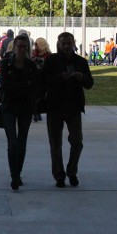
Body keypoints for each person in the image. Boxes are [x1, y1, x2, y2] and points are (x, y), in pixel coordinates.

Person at [44, 32, 94, 188]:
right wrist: (61, 77)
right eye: (63, 43)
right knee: (55, 143)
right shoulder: (51, 60)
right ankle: (59, 175)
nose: (66, 46)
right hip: (54, 106)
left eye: (68, 43)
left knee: (77, 141)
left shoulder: (81, 62)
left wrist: (82, 77)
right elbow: (44, 80)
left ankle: (72, 171)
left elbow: (90, 83)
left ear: (74, 43)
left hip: (74, 106)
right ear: (59, 44)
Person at [0, 34, 40, 191]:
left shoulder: (31, 65)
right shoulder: (6, 64)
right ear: (14, 47)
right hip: (9, 106)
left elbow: (34, 86)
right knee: (12, 143)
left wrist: (18, 85)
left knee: (22, 142)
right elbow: (5, 85)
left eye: (25, 46)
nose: (22, 49)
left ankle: (18, 173)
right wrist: (25, 84)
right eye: (20, 46)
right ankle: (14, 175)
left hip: (25, 107)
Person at [31, 37, 51, 122]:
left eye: (36, 44)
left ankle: (38, 111)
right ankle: (36, 113)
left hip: (43, 79)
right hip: (35, 78)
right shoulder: (33, 54)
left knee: (41, 96)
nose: (35, 46)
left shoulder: (48, 55)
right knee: (35, 96)